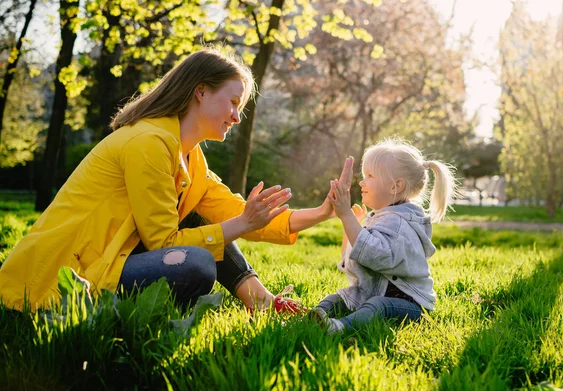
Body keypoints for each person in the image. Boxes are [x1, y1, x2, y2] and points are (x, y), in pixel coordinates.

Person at [0, 47, 353, 313]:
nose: (236, 116)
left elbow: (234, 210)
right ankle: (134, 322)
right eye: (233, 103)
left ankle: (260, 301)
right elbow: (163, 241)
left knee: (205, 217)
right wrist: (241, 222)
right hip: (67, 272)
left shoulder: (189, 155)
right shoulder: (149, 143)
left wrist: (323, 213)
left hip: (114, 258)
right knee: (197, 264)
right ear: (200, 92)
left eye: (241, 108)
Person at [310, 138, 456, 333]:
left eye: (370, 175)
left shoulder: (399, 223)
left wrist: (346, 216)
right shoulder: (383, 217)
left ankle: (340, 327)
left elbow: (375, 256)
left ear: (396, 186)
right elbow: (353, 255)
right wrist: (351, 224)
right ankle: (315, 318)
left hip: (409, 305)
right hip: (373, 292)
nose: (361, 182)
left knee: (379, 306)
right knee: (338, 298)